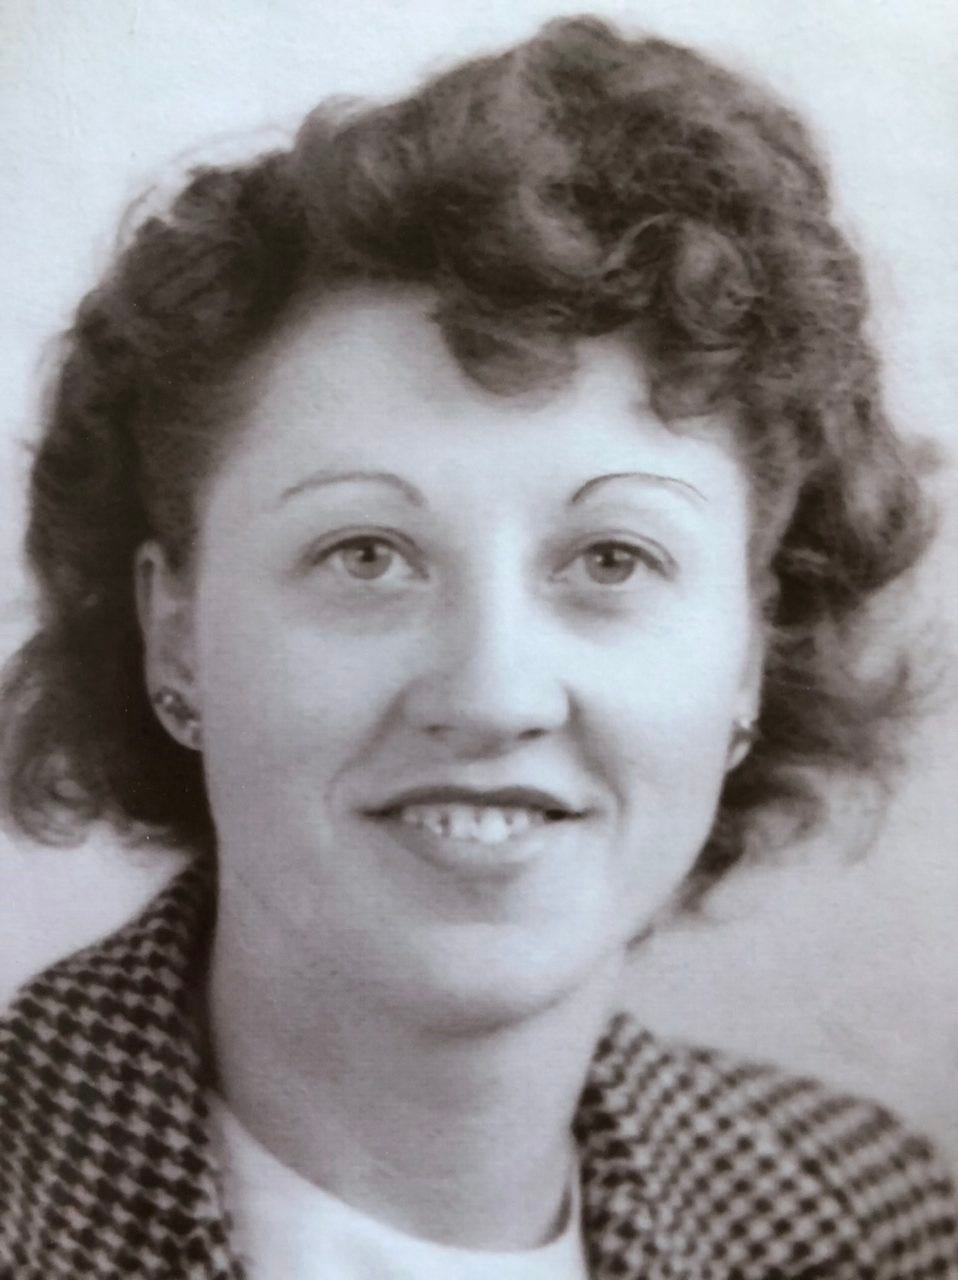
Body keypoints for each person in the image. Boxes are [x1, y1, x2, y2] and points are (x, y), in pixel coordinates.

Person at [1, 14, 956, 1279]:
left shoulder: (869, 1224)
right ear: (174, 633)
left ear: (747, 652)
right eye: (365, 554)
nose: (493, 692)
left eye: (612, 559)